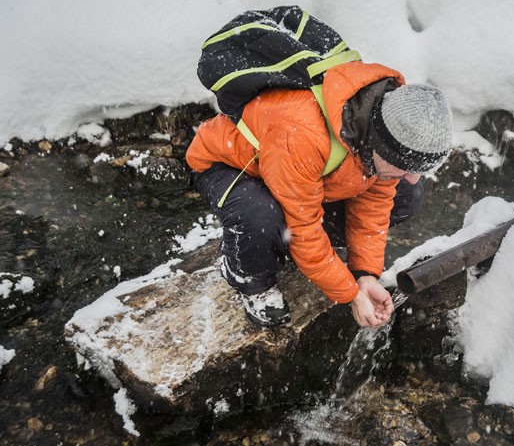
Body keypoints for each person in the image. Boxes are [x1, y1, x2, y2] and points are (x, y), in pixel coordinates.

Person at [186, 60, 453, 328]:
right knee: (262, 217)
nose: (413, 175)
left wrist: (365, 275)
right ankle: (247, 275)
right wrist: (349, 293)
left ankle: (286, 246)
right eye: (407, 166)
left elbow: (373, 209)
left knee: (407, 194)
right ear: (383, 147)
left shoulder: (382, 128)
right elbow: (303, 228)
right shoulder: (302, 133)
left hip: (299, 172)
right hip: (231, 166)